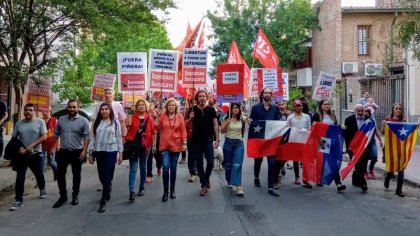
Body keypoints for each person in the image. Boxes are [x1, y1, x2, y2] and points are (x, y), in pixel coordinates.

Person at [52, 100, 90, 208]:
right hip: (63, 151)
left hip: (77, 152)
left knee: (76, 174)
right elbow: (56, 134)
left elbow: (87, 137)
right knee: (60, 174)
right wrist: (51, 148)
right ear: (67, 108)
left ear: (78, 108)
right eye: (70, 107)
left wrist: (84, 151)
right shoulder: (61, 120)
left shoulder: (84, 121)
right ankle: (63, 196)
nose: (72, 109)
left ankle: (75, 195)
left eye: (74, 107)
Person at [9, 104, 47, 211]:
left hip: (36, 154)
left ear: (34, 111)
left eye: (30, 110)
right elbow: (14, 139)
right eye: (26, 110)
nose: (28, 112)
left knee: (39, 174)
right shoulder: (19, 123)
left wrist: (32, 145)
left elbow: (44, 136)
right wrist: (18, 149)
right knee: (20, 177)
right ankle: (18, 200)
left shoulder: (40, 122)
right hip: (22, 156)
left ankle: (42, 188)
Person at [88, 103, 123, 212]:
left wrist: (120, 153)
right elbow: (92, 138)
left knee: (108, 174)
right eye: (102, 109)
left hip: (111, 151)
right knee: (102, 175)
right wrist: (90, 153)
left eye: (106, 109)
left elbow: (119, 138)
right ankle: (108, 187)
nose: (104, 111)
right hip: (99, 151)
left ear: (110, 110)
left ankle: (103, 199)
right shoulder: (96, 123)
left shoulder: (115, 123)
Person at [248, 88, 281, 197]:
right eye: (265, 93)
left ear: (271, 95)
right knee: (258, 161)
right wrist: (249, 120)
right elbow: (251, 120)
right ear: (262, 95)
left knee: (272, 163)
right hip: (259, 139)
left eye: (269, 93)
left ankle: (270, 186)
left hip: (271, 139)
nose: (267, 94)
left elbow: (279, 122)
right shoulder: (255, 108)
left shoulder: (275, 108)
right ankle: (256, 177)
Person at [186, 90, 219, 196]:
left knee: (210, 163)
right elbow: (185, 124)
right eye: (200, 96)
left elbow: (215, 125)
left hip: (208, 140)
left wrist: (217, 139)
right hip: (196, 141)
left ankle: (206, 177)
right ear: (197, 98)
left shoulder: (211, 110)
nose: (202, 98)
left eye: (203, 96)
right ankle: (203, 185)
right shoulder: (192, 110)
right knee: (199, 164)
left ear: (206, 98)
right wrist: (191, 118)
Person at [154, 98, 187, 202]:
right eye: (169, 105)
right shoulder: (163, 116)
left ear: (175, 106)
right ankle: (165, 192)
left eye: (173, 105)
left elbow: (183, 131)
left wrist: (184, 143)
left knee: (173, 169)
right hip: (164, 146)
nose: (171, 107)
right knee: (166, 168)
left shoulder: (180, 116)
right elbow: (156, 127)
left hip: (176, 146)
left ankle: (172, 190)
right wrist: (156, 116)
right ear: (167, 107)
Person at [312, 99, 347, 192]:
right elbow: (312, 129)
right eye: (325, 104)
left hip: (333, 141)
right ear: (320, 106)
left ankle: (333, 182)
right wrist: (314, 125)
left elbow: (334, 128)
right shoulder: (317, 115)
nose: (327, 106)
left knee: (333, 162)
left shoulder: (332, 115)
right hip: (322, 141)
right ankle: (337, 183)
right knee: (327, 162)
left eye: (328, 104)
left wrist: (341, 127)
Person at [125, 98, 156, 201]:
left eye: (143, 105)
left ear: (146, 107)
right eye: (139, 105)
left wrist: (154, 145)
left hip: (145, 147)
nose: (141, 106)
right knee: (133, 168)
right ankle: (132, 191)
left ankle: (141, 187)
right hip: (133, 147)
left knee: (143, 167)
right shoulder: (132, 117)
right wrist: (129, 113)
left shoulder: (150, 119)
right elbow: (127, 126)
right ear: (136, 107)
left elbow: (153, 133)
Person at [382, 103, 406, 197]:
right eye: (396, 108)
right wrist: (384, 125)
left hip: (401, 147)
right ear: (393, 109)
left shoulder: (403, 121)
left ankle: (399, 190)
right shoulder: (387, 120)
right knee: (391, 169)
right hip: (390, 148)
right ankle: (387, 179)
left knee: (401, 168)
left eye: (400, 109)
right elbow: (382, 132)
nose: (398, 110)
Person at [221, 102, 246, 196]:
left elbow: (243, 131)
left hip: (238, 143)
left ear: (239, 109)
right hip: (228, 143)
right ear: (230, 109)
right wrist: (227, 124)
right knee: (228, 165)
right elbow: (222, 131)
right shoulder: (226, 118)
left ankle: (238, 186)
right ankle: (229, 179)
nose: (235, 109)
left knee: (238, 164)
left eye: (237, 108)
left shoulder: (242, 119)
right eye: (233, 108)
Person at [343, 104, 369, 192]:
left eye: (362, 111)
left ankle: (359, 180)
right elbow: (346, 135)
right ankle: (360, 181)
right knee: (357, 164)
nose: (361, 113)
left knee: (363, 166)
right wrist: (348, 147)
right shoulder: (349, 120)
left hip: (364, 146)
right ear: (355, 111)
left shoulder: (368, 120)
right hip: (352, 147)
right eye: (359, 111)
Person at [286, 100, 311, 186]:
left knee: (306, 160)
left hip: (304, 140)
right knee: (295, 159)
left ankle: (306, 178)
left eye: (299, 105)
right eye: (296, 106)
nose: (298, 107)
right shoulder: (290, 117)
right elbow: (287, 128)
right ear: (294, 107)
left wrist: (305, 131)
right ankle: (297, 176)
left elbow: (309, 128)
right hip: (295, 140)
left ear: (302, 107)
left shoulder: (307, 117)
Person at [364, 107, 383, 179]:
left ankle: (371, 170)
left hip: (372, 141)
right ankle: (365, 172)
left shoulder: (372, 120)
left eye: (367, 113)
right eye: (364, 112)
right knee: (364, 158)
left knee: (374, 156)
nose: (366, 114)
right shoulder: (360, 120)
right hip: (363, 142)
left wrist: (380, 140)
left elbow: (376, 130)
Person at [146, 101, 162, 183]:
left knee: (158, 158)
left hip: (157, 139)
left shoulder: (158, 115)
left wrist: (157, 116)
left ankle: (159, 167)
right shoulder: (145, 116)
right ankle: (149, 175)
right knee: (149, 158)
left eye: (152, 107)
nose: (150, 109)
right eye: (149, 107)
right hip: (148, 140)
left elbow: (156, 126)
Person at [41, 106, 58, 180]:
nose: (45, 113)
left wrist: (58, 146)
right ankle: (41, 180)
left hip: (52, 145)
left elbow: (58, 134)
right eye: (43, 111)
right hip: (41, 144)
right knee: (41, 163)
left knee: (51, 162)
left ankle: (56, 173)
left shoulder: (54, 120)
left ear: (50, 111)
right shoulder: (40, 120)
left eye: (47, 111)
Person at [184, 98, 198, 181]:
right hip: (190, 137)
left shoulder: (201, 111)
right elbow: (184, 124)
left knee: (198, 155)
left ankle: (197, 170)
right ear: (190, 104)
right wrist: (190, 118)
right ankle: (192, 172)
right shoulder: (186, 113)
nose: (194, 105)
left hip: (199, 137)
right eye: (193, 103)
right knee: (191, 155)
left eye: (196, 103)